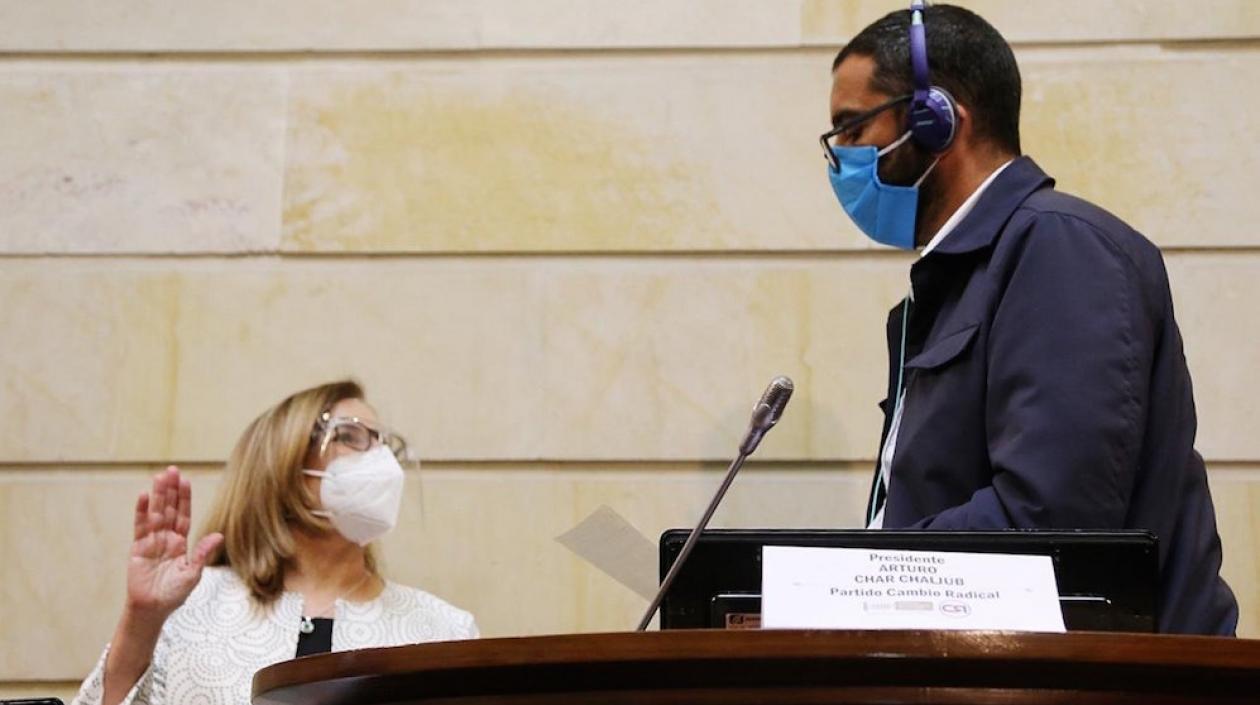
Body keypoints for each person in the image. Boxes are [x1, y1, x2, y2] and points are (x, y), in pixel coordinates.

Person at [821, 1, 1237, 634]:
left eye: (853, 128)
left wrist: (859, 578)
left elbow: (1050, 522)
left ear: (937, 120)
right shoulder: (961, 279)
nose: (840, 157)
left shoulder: (1059, 248)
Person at [73, 380, 477, 705]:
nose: (382, 463)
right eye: (352, 437)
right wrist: (142, 619)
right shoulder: (190, 604)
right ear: (283, 460)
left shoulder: (444, 629)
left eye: (385, 445)